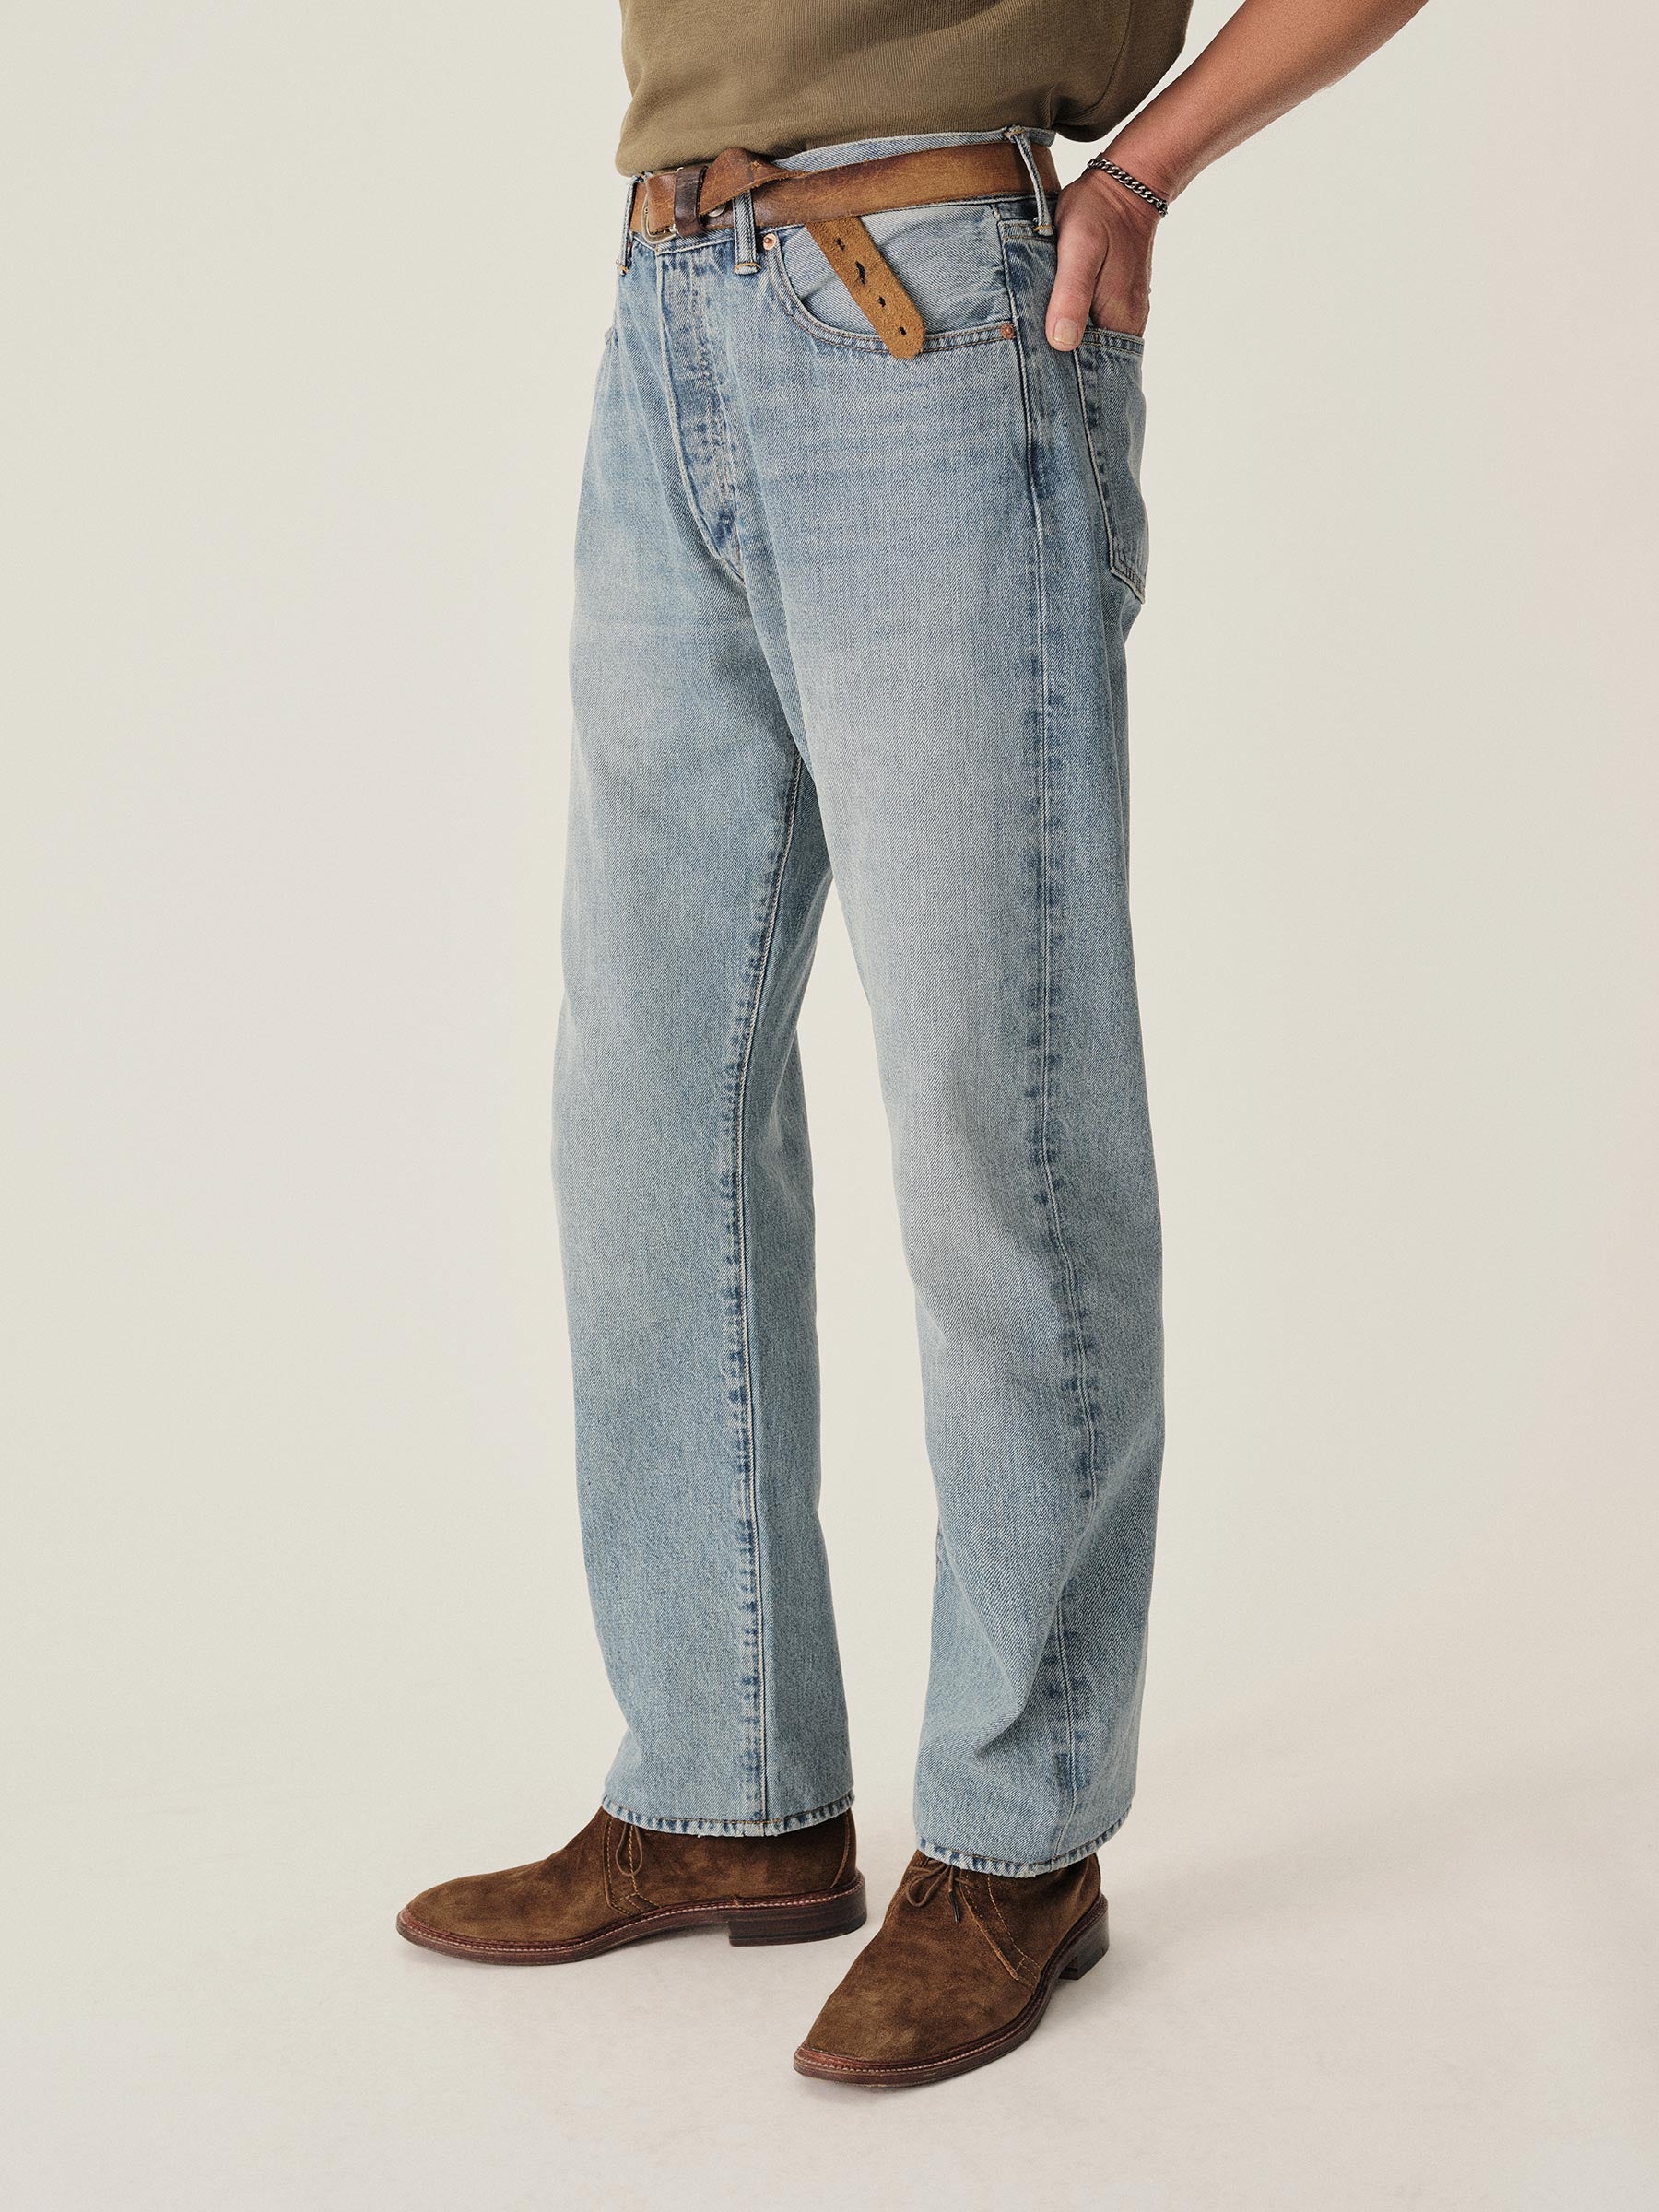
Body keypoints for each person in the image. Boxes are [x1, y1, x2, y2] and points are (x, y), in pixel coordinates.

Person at [398, 0, 1429, 2087]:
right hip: (671, 291)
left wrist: (1149, 168)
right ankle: (723, 1785)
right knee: (644, 1104)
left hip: (933, 310)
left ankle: (1019, 1839)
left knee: (997, 1106)